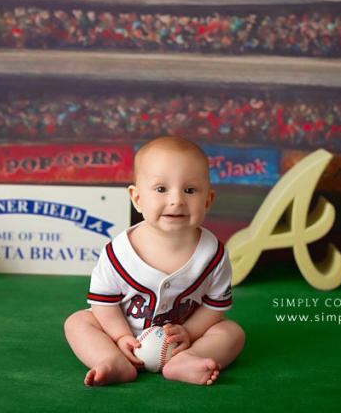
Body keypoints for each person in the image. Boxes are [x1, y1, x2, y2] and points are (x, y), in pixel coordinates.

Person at [63, 136, 245, 386]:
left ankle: (187, 361)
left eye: (190, 190)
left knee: (231, 333)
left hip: (180, 341)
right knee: (77, 322)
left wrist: (190, 333)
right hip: (126, 333)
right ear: (137, 198)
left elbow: (215, 306)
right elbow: (103, 303)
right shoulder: (118, 252)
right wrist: (119, 336)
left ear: (207, 201)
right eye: (161, 189)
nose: (177, 200)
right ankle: (112, 359)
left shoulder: (213, 254)